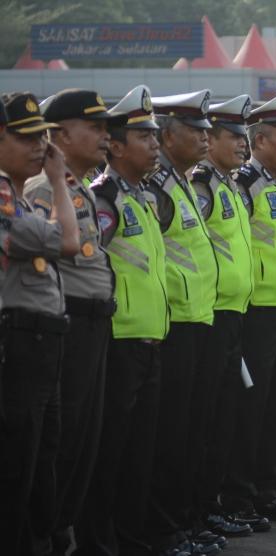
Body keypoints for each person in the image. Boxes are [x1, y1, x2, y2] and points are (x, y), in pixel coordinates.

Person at [23, 89, 119, 553]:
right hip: (70, 326)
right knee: (62, 446)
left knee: (84, 443)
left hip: (96, 325)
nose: (106, 136)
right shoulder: (44, 189)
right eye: (95, 128)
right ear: (58, 135)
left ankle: (63, 532)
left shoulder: (77, 185)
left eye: (106, 128)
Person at [77, 85, 169, 555]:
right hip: (120, 342)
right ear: (115, 145)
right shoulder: (104, 197)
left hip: (151, 339)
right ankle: (99, 543)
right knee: (110, 454)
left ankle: (131, 540)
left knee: (140, 455)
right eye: (144, 136)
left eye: (155, 135)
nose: (155, 143)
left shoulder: (144, 196)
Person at [222, 92, 276, 522]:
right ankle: (241, 495)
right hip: (259, 312)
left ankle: (268, 486)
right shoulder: (245, 184)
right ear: (259, 142)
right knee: (252, 412)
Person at [143, 89, 222, 553]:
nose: (205, 139)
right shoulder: (158, 189)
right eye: (196, 131)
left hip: (199, 320)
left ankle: (185, 519)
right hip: (172, 326)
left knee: (195, 429)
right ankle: (162, 528)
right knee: (170, 436)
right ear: (168, 136)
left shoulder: (181, 184)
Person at [0, 92, 79, 555]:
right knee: (17, 467)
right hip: (20, 340)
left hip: (41, 339)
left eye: (42, 138)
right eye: (26, 137)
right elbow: (69, 240)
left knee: (40, 461)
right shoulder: (7, 199)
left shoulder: (19, 199)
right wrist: (57, 179)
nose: (38, 146)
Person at [189, 95, 260, 536]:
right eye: (233, 136)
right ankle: (197, 512)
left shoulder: (228, 183)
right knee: (205, 421)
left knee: (225, 416)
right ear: (210, 139)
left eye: (243, 136)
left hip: (234, 314)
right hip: (209, 316)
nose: (242, 144)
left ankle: (208, 507)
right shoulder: (202, 186)